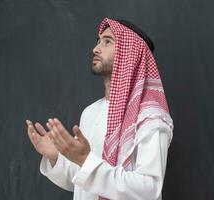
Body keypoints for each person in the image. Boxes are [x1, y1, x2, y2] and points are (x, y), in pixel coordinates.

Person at [26, 17, 174, 200]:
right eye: (98, 41)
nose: (95, 49)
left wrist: (84, 159)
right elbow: (83, 181)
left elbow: (149, 190)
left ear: (128, 54)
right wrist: (56, 156)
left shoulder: (150, 117)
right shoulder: (90, 113)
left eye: (107, 42)